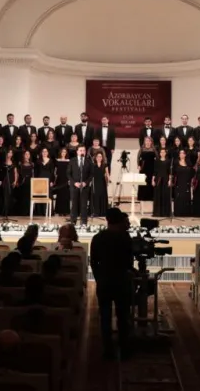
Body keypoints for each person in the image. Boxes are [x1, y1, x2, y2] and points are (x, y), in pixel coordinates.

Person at [89, 208, 134, 358]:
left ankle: (107, 350)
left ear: (107, 220)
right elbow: (129, 261)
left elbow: (93, 262)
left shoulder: (98, 238)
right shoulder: (125, 238)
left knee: (105, 316)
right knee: (123, 316)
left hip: (104, 281)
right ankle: (125, 349)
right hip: (121, 280)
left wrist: (98, 278)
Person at [69, 146, 92, 226]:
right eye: (81, 150)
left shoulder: (89, 161)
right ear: (77, 151)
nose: (82, 152)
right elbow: (68, 173)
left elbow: (91, 174)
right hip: (74, 186)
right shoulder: (72, 161)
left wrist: (86, 183)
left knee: (84, 205)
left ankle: (84, 222)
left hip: (84, 186)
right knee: (74, 204)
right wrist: (74, 183)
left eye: (84, 150)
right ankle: (73, 221)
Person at [152, 147, 173, 217]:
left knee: (165, 195)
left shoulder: (168, 161)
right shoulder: (157, 161)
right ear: (160, 153)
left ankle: (166, 213)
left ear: (165, 153)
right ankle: (157, 213)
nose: (162, 153)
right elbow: (155, 171)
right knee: (158, 196)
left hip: (166, 180)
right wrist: (153, 180)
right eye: (161, 152)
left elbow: (169, 172)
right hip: (158, 180)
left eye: (164, 152)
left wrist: (170, 180)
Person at [173, 149, 192, 216]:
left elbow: (192, 172)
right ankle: (178, 213)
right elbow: (173, 173)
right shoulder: (175, 162)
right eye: (180, 153)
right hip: (178, 182)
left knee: (186, 197)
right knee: (179, 197)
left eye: (183, 153)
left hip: (187, 183)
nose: (181, 154)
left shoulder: (188, 163)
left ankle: (186, 213)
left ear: (185, 155)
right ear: (179, 155)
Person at [91, 151, 110, 218]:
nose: (99, 158)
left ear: (102, 158)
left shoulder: (105, 165)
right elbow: (91, 175)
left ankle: (103, 212)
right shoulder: (93, 165)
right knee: (96, 196)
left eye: (101, 157)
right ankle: (96, 212)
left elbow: (107, 173)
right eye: (98, 156)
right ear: (96, 157)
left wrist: (108, 180)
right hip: (95, 182)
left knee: (103, 196)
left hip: (102, 182)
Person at [53, 147, 71, 216]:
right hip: (59, 179)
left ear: (66, 153)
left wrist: (70, 179)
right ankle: (59, 211)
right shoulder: (57, 160)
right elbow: (55, 171)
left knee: (66, 195)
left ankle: (66, 211)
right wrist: (55, 179)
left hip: (66, 179)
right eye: (62, 152)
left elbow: (70, 171)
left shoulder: (69, 161)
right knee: (60, 195)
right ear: (60, 153)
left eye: (65, 152)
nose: (63, 153)